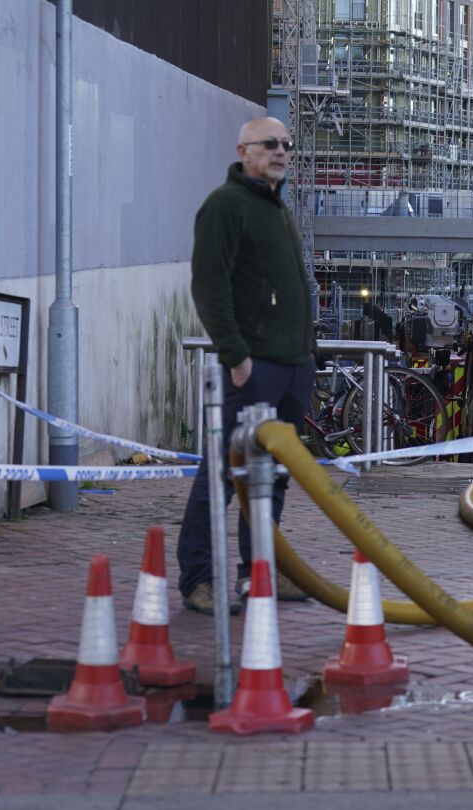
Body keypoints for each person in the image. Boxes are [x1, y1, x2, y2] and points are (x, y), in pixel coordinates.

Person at [177, 117, 316, 614]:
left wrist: (303, 358)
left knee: (272, 474)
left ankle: (257, 571)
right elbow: (209, 287)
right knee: (221, 472)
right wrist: (236, 357)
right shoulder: (225, 206)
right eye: (269, 145)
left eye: (286, 145)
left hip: (293, 365)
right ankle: (197, 578)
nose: (281, 152)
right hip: (255, 368)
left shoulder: (275, 207)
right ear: (243, 151)